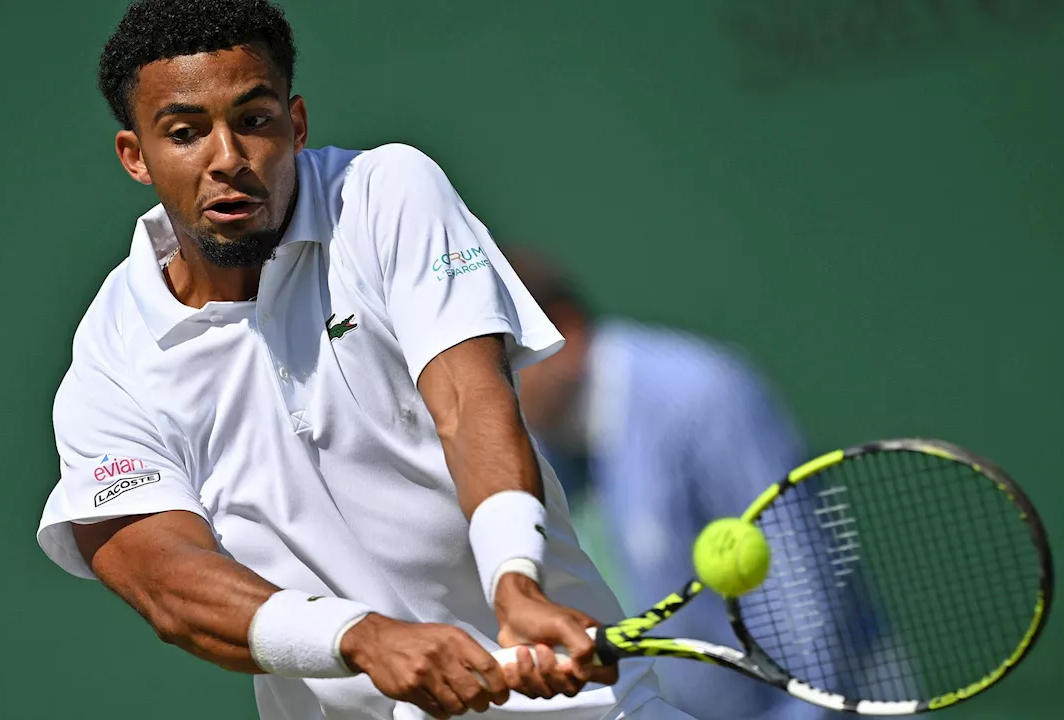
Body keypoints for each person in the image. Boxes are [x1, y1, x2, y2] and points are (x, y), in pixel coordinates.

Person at [34, 2, 691, 719]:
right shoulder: (109, 357)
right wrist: (361, 637)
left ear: (298, 123)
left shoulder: (387, 195)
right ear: (136, 156)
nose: (227, 158)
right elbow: (167, 581)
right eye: (186, 134)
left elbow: (469, 402)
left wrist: (515, 582)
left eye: (254, 120)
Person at [506, 247, 837, 720]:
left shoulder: (703, 397)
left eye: (505, 364)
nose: (491, 388)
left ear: (567, 334)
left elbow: (804, 606)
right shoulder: (534, 442)